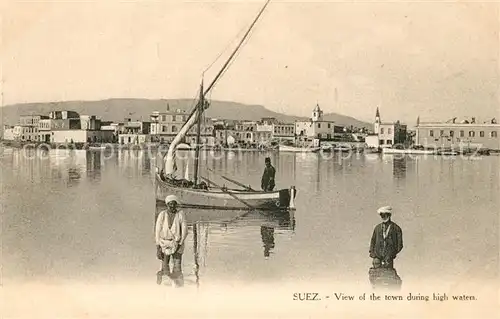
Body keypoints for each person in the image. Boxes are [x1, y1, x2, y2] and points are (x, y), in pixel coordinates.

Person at [155, 195, 188, 285]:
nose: (172, 206)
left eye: (174, 204)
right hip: (164, 243)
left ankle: (178, 287)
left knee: (177, 267)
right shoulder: (162, 214)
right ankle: (161, 280)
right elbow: (157, 231)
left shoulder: (180, 214)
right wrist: (158, 247)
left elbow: (185, 230)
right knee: (165, 266)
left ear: (176, 205)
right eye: (170, 204)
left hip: (177, 243)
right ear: (167, 205)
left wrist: (180, 244)